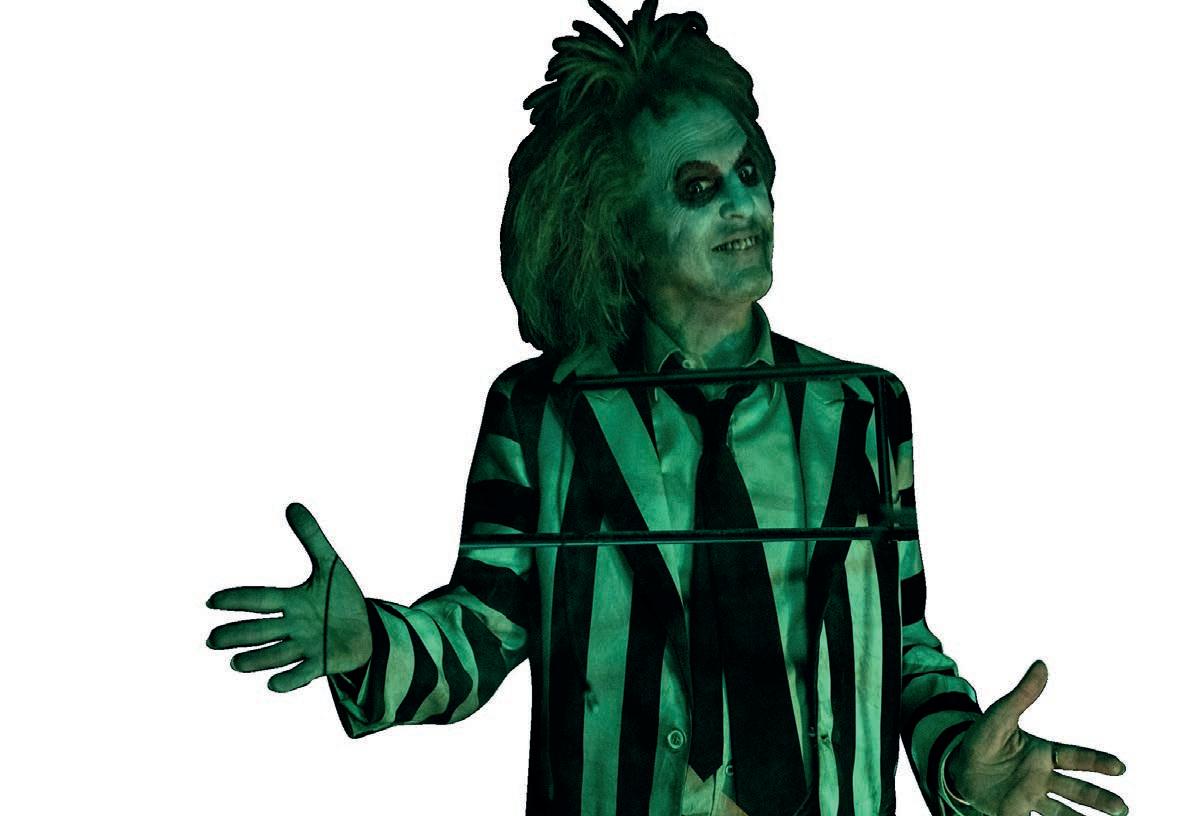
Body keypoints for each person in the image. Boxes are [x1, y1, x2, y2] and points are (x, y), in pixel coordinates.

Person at [206, 2, 1128, 814]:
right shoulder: (543, 413)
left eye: (751, 172)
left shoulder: (861, 406)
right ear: (617, 224)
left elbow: (900, 645)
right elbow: (482, 630)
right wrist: (369, 644)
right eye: (698, 187)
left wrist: (959, 766)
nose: (744, 204)